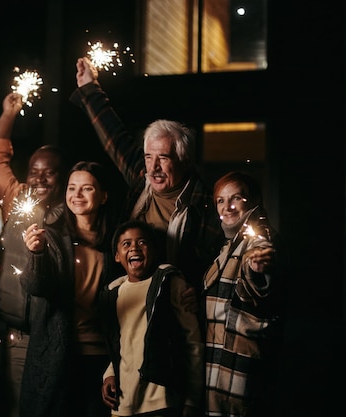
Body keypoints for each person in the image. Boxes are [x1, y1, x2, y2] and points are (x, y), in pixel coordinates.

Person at [70, 56, 224, 295]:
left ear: (183, 160)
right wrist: (90, 89)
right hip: (131, 297)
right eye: (148, 157)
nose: (153, 168)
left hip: (175, 305)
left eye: (163, 157)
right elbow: (114, 137)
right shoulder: (142, 180)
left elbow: (217, 264)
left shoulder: (204, 204)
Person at [0, 91, 67, 417]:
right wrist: (8, 114)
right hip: (16, 337)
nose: (40, 179)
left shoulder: (72, 212)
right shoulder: (17, 200)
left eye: (50, 172)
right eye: (34, 171)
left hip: (54, 338)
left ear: (64, 177)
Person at [21, 161, 122, 417]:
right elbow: (35, 286)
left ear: (104, 196)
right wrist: (37, 253)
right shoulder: (53, 238)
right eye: (71, 188)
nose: (76, 195)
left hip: (103, 357)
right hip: (58, 353)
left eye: (87, 188)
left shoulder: (116, 244)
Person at [99, 220, 204, 417]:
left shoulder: (168, 282)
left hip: (160, 401)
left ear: (154, 251)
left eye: (142, 242)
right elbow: (121, 344)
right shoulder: (113, 294)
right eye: (126, 244)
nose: (134, 248)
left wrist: (192, 398)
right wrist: (110, 374)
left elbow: (193, 342)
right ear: (116, 256)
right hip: (123, 402)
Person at [203, 171, 286, 417]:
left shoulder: (258, 238)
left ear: (253, 200)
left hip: (240, 375)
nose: (227, 206)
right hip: (216, 368)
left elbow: (260, 264)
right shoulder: (228, 245)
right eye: (220, 200)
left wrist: (260, 269)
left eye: (236, 198)